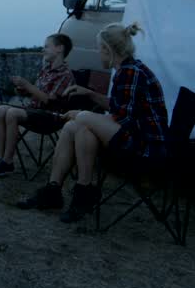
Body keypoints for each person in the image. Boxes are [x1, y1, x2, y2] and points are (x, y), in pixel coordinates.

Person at [16, 22, 168, 223]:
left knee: (82, 119)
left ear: (108, 50)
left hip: (145, 147)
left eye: (100, 50)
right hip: (134, 135)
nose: (99, 55)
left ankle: (82, 192)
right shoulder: (127, 69)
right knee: (75, 126)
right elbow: (118, 108)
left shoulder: (131, 72)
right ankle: (59, 190)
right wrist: (89, 94)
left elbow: (123, 119)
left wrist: (82, 114)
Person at [0, 33, 75, 177]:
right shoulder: (46, 70)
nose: (43, 50)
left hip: (51, 117)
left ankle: (8, 162)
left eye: (46, 46)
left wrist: (27, 85)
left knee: (12, 113)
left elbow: (49, 101)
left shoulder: (66, 74)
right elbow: (36, 94)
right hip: (34, 111)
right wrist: (23, 90)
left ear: (59, 49)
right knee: (0, 110)